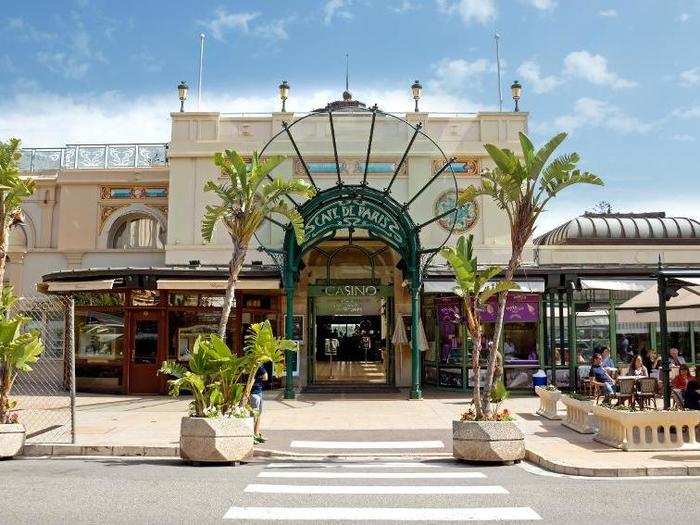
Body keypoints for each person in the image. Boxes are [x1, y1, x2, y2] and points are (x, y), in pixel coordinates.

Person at [250, 365, 268, 444]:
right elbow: (266, 377)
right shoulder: (260, 366)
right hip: (256, 393)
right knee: (255, 415)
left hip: (254, 392)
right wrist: (259, 377)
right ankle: (253, 435)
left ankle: (256, 434)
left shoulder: (249, 366)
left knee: (257, 414)